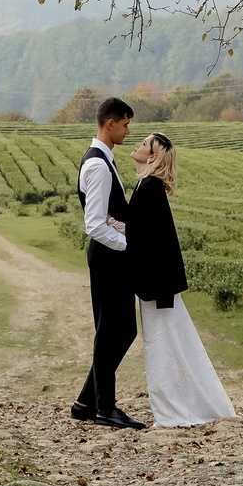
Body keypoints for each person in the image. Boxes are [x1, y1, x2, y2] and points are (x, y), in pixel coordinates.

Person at [125, 133, 235, 426]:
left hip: (156, 285)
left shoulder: (149, 187)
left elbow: (140, 235)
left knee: (164, 343)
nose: (137, 144)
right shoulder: (148, 185)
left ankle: (177, 406)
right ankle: (187, 401)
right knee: (172, 342)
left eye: (145, 144)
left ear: (152, 157)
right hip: (158, 284)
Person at [71, 95, 146, 429]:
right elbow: (94, 224)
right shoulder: (98, 165)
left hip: (113, 257)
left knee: (124, 330)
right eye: (126, 124)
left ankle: (86, 402)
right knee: (110, 332)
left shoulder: (105, 159)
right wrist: (128, 245)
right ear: (110, 123)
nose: (128, 130)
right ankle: (105, 408)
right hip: (107, 256)